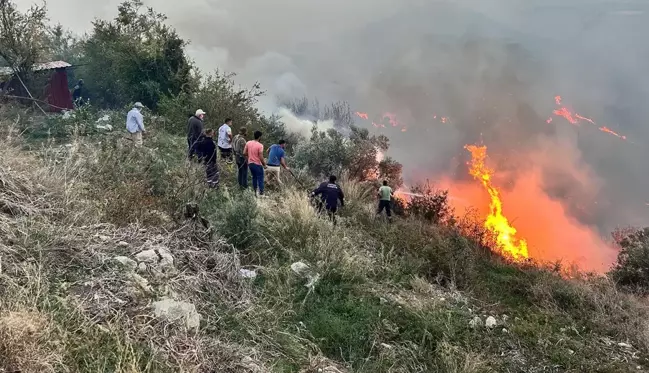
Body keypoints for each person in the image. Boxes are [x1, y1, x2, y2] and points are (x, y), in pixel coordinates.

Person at [244, 130, 266, 196]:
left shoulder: (248, 143)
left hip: (250, 163)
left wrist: (250, 156)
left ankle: (255, 192)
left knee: (254, 177)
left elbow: (244, 153)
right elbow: (261, 157)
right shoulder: (260, 145)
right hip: (257, 164)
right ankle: (261, 193)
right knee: (260, 178)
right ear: (259, 137)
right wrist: (264, 164)